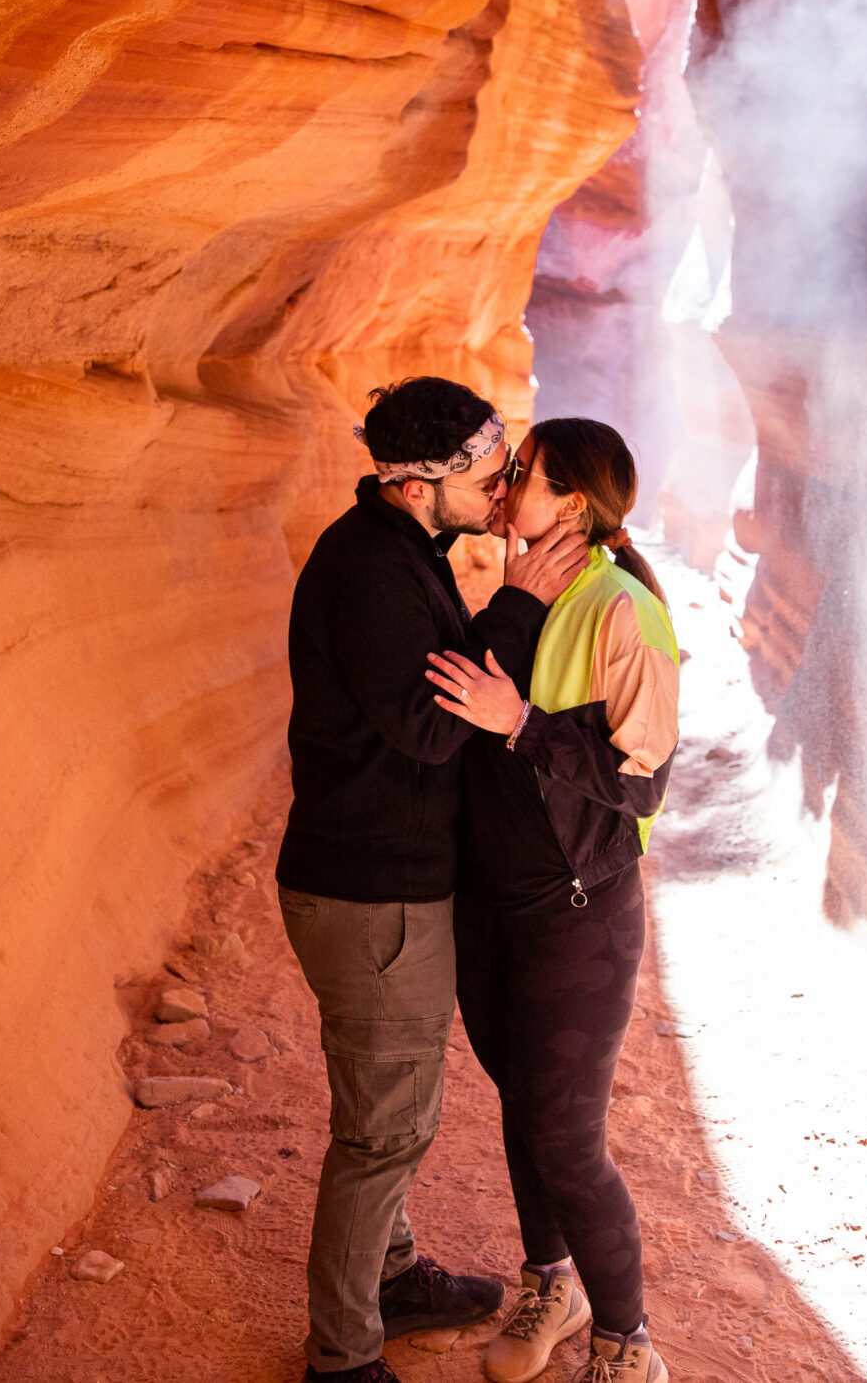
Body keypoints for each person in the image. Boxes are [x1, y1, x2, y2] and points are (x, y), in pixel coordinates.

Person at [278, 377, 590, 1383]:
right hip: (374, 896)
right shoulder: (370, 572)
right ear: (421, 484)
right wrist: (517, 601)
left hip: (384, 883)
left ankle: (395, 1277)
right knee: (383, 1132)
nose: (501, 491)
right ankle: (342, 1356)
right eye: (488, 473)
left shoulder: (399, 550)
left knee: (392, 1102)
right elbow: (425, 726)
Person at [422, 419, 681, 1383]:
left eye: (521, 472)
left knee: (569, 1141)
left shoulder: (622, 611)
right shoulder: (525, 591)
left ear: (571, 504)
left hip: (579, 921)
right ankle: (550, 1282)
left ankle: (625, 1344)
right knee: (526, 1108)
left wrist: (522, 723)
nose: (504, 482)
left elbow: (642, 786)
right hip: (494, 911)